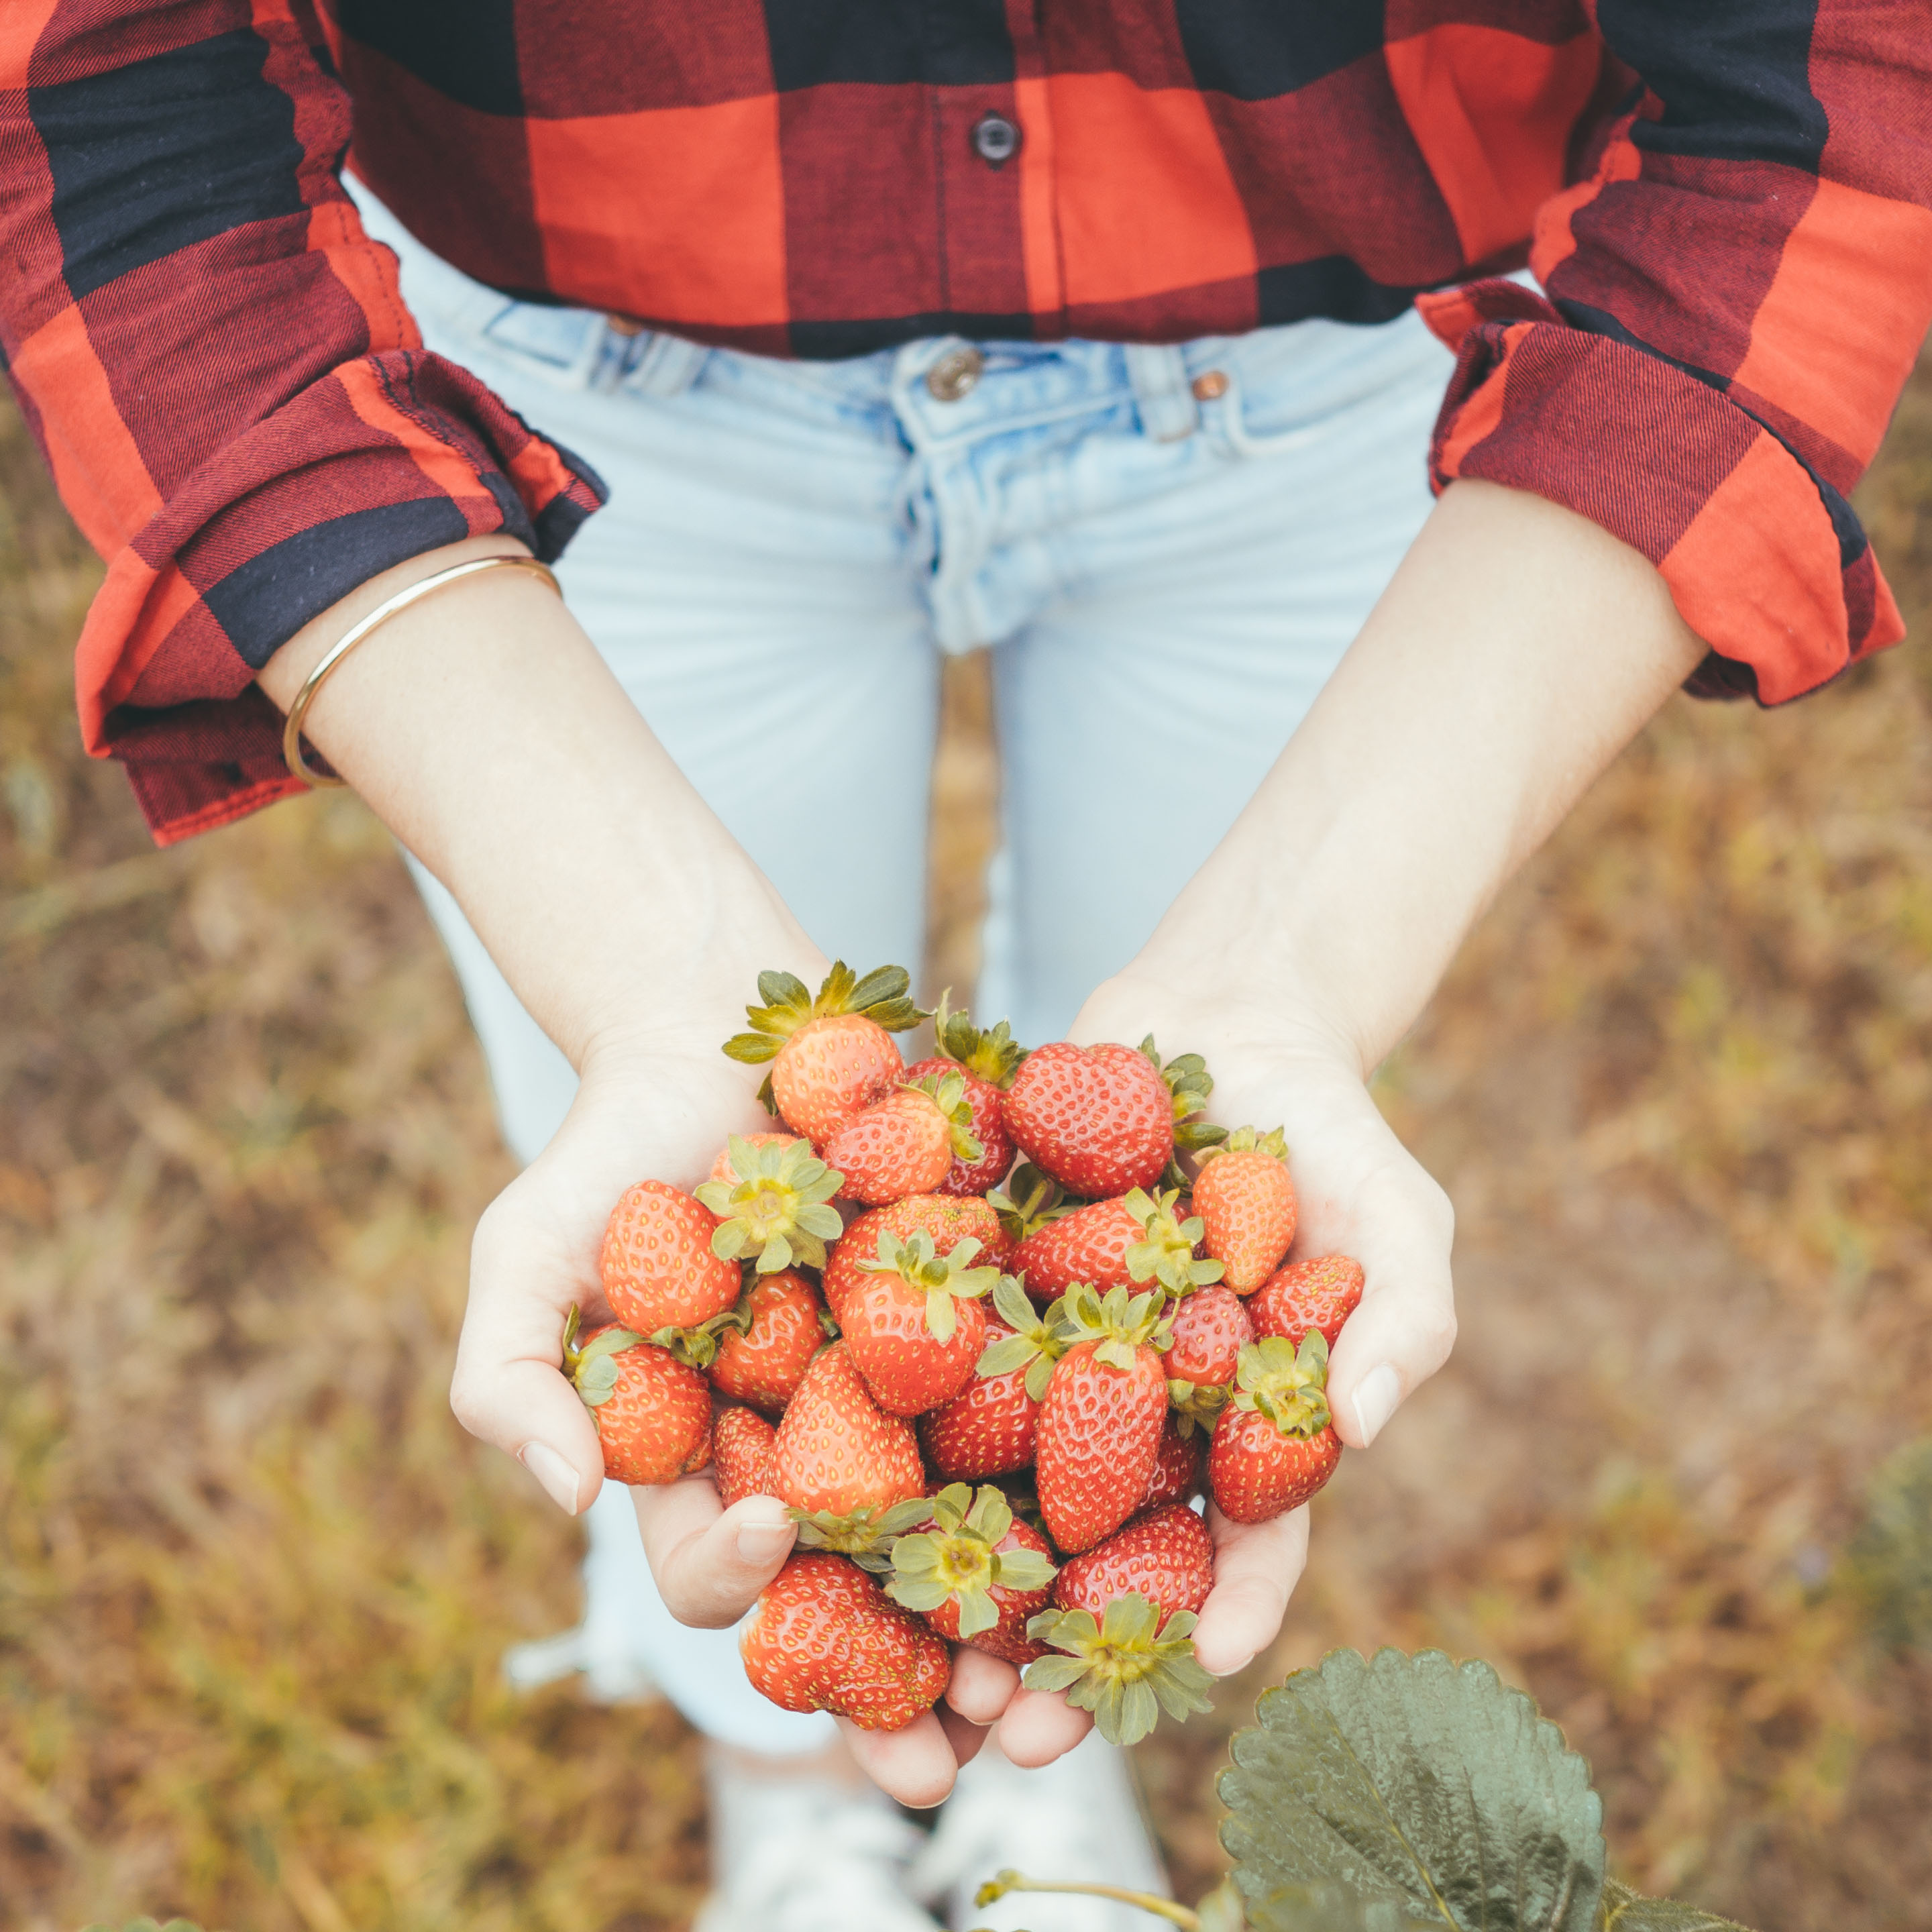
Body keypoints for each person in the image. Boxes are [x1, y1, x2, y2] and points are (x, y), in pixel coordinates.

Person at [5, 6, 1926, 1928]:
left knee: (1183, 1079)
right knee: (681, 1140)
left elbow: (1824, 94)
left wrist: (1303, 973)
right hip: (587, 385)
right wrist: (649, 978)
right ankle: (783, 1771)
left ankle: (1050, 1778)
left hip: (1346, 372)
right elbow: (118, 103)